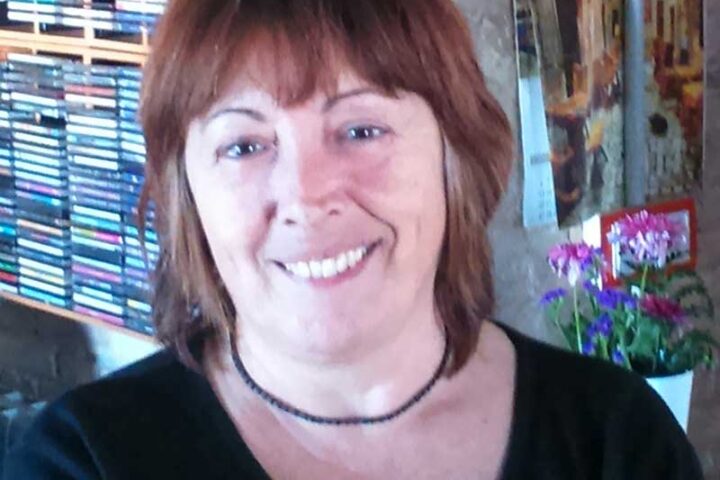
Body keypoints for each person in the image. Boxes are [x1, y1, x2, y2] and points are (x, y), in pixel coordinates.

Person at [4, 0, 703, 478]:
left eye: (361, 130)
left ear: (455, 158)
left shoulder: (618, 442)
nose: (306, 196)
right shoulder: (82, 460)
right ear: (187, 195)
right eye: (244, 145)